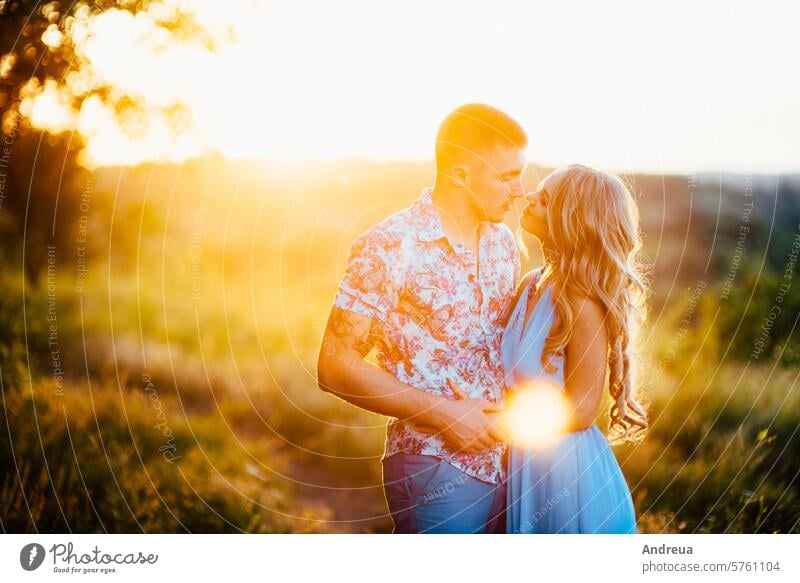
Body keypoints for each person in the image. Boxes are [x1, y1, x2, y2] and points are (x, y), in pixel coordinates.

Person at [317, 103, 527, 533]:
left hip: (510, 466)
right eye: (507, 176)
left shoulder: (505, 244)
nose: (520, 189)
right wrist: (446, 414)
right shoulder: (390, 244)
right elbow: (335, 365)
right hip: (434, 465)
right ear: (461, 174)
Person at [503, 164, 649, 534]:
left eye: (546, 199)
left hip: (568, 477)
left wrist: (499, 425)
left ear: (573, 220)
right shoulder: (530, 283)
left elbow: (583, 409)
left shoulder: (580, 301)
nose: (528, 197)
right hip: (524, 463)